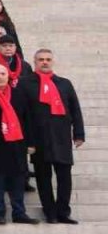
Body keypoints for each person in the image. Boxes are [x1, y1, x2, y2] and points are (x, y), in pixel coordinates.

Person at [19, 48, 85, 224]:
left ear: (52, 61)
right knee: (43, 177)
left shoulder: (64, 83)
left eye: (48, 59)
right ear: (35, 62)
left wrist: (78, 133)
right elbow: (22, 114)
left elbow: (75, 110)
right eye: (41, 59)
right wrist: (27, 140)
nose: (45, 62)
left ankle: (63, 211)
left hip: (61, 136)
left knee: (64, 177)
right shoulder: (25, 83)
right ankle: (50, 212)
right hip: (38, 137)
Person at [0, 63, 40, 225]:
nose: (0, 77)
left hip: (17, 143)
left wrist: (31, 142)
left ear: (8, 76)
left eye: (3, 74)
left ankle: (19, 213)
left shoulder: (19, 95)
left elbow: (27, 120)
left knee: (18, 179)